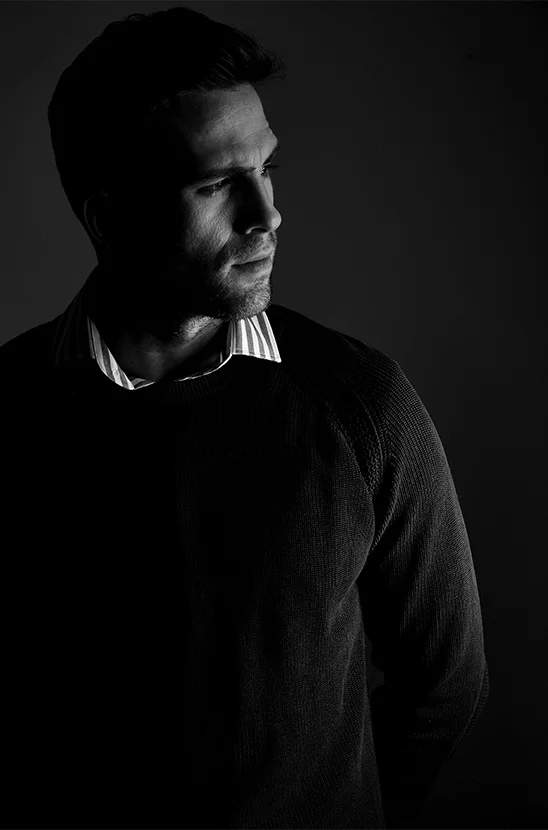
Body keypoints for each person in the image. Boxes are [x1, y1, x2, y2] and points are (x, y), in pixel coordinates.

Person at [0, 6, 489, 829]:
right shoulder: (8, 412)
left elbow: (445, 683)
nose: (266, 214)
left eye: (266, 168)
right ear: (109, 219)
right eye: (216, 184)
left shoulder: (361, 404)